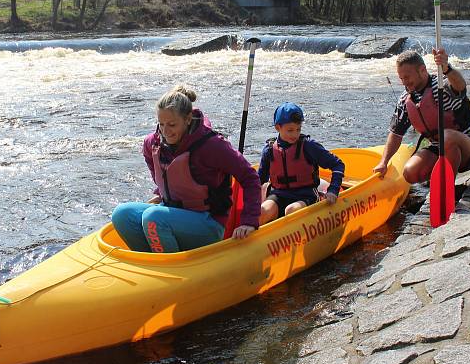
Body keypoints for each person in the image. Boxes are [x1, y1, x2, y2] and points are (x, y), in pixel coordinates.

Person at [111, 86, 261, 253]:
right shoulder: (152, 143)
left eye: (172, 125)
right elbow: (155, 166)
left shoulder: (212, 145)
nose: (165, 131)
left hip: (207, 223)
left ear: (188, 119)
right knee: (121, 214)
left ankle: (170, 267)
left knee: (153, 217)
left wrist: (249, 220)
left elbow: (250, 177)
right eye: (161, 124)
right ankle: (149, 262)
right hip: (171, 213)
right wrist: (160, 191)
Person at [373, 49, 470, 185]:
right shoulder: (405, 99)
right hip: (438, 149)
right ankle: (437, 178)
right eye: (401, 78)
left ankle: (446, 187)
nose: (404, 82)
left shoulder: (441, 85)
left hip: (468, 150)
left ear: (422, 70)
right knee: (410, 172)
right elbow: (396, 134)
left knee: (447, 137)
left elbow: (460, 86)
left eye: (407, 77)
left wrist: (447, 69)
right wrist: (383, 162)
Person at [257, 103, 346, 225]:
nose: (295, 134)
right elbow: (259, 180)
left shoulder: (309, 146)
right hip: (279, 195)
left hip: (306, 195)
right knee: (262, 212)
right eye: (290, 130)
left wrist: (333, 190)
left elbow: (338, 165)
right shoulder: (269, 150)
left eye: (298, 129)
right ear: (278, 127)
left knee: (291, 210)